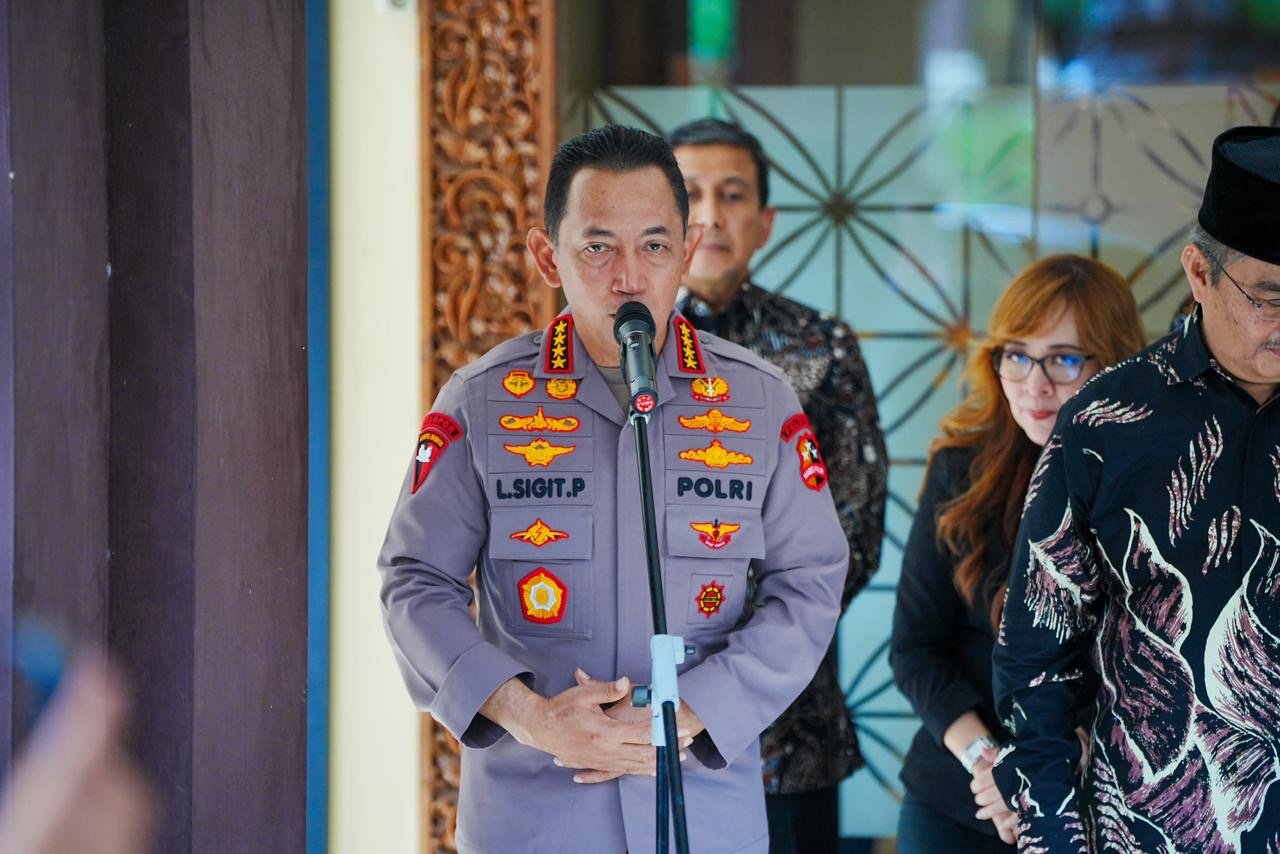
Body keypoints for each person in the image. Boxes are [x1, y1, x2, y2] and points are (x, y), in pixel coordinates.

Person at [378, 124, 849, 853]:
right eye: (597, 248)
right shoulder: (480, 401)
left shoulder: (759, 401)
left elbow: (811, 580)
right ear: (548, 256)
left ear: (687, 249)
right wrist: (528, 714)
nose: (628, 277)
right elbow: (414, 581)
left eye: (654, 246)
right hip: (532, 812)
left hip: (701, 808)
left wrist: (701, 709)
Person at [992, 126, 1280, 851]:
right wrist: (1054, 837)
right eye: (1269, 297)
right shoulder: (1107, 422)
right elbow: (1036, 661)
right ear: (1200, 273)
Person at [666, 118, 888, 854]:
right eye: (689, 194)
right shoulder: (608, 346)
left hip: (787, 727)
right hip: (637, 716)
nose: (709, 215)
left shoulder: (820, 347)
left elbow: (853, 529)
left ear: (764, 222)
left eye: (732, 195)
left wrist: (742, 658)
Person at [890, 255, 1144, 852]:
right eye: (1018, 355)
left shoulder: (1155, 485)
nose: (1035, 384)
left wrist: (1038, 770)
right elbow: (915, 649)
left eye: (1064, 358)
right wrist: (990, 763)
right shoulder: (961, 470)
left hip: (1095, 800)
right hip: (960, 790)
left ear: (1114, 362)